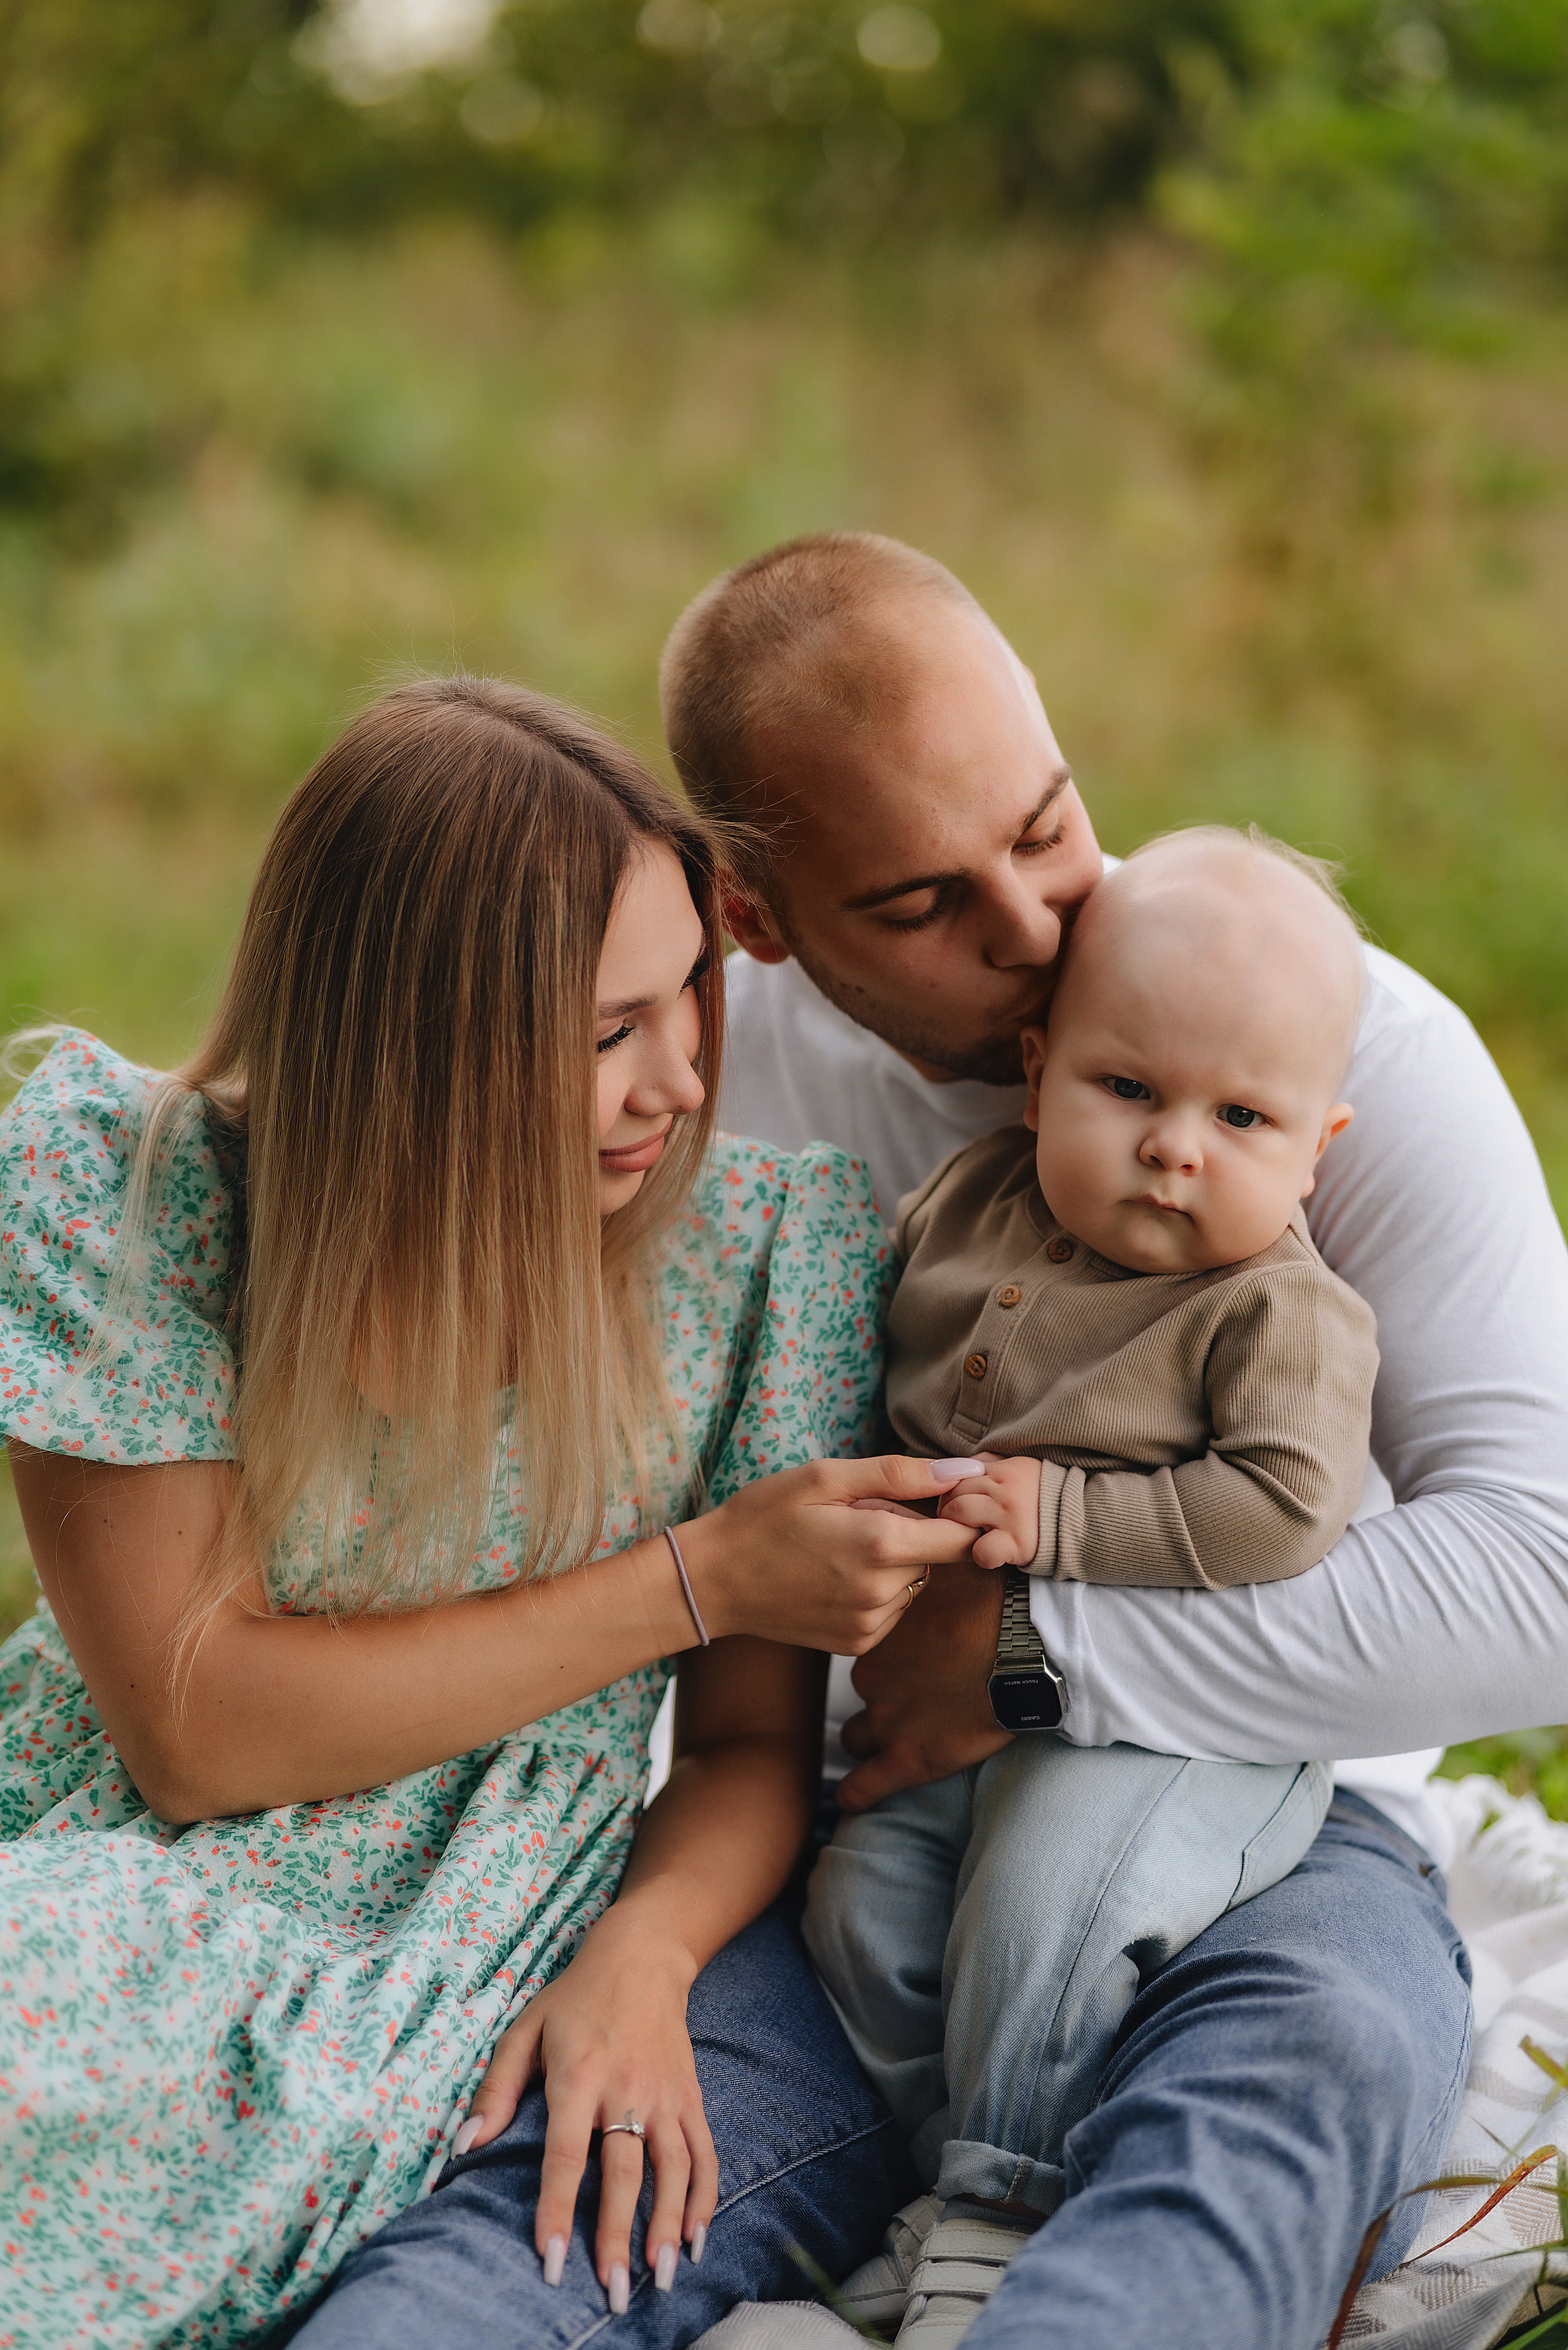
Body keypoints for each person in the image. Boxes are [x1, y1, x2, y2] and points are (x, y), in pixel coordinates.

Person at [659, 532, 1568, 2350]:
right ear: (757, 917)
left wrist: (1021, 1647)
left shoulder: (1328, 1047)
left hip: (1286, 1819)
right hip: (828, 1828)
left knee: (1268, 2124)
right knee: (566, 2191)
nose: (1037, 931)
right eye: (922, 904)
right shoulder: (684, 1069)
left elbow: (1546, 1571)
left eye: (1049, 826)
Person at [0, 676, 984, 2348]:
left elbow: (752, 1750)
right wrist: (701, 1570)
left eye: (690, 993)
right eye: (610, 1030)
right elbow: (195, 1731)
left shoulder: (767, 1256)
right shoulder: (128, 1184)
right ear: (413, 1040)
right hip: (118, 1881)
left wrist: (650, 1951)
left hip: (465, 1934)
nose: (679, 1077)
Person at [802, 827, 1378, 2345]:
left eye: (1239, 1115)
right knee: (862, 1909)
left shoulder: (1277, 1310)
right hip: (931, 1705)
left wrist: (1058, 1516)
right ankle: (941, 2174)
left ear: (1316, 1143)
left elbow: (1280, 1509)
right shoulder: (967, 1199)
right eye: (1128, 1090)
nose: (1174, 1146)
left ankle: (1003, 2207)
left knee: (1050, 1913)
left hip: (1176, 1722)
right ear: (1041, 1067)